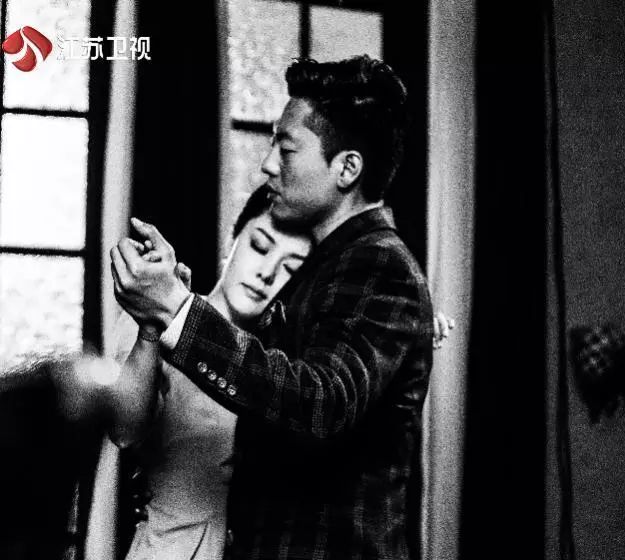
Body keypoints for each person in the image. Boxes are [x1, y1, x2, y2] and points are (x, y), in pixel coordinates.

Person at [111, 55, 435, 560]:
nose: (267, 166)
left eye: (286, 149)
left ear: (347, 168)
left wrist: (177, 310)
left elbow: (319, 404)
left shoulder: (377, 262)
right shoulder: (330, 268)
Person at [106, 185, 312, 560]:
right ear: (233, 242)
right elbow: (124, 431)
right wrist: (153, 326)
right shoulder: (157, 317)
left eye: (290, 268)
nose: (266, 273)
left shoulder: (285, 364)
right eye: (259, 247)